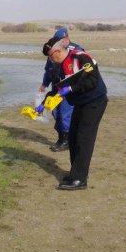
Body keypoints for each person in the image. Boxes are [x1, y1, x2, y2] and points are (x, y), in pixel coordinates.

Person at [36, 36, 108, 190]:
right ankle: (76, 173)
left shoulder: (81, 57)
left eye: (50, 55)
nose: (50, 59)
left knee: (84, 139)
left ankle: (80, 179)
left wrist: (71, 89)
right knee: (73, 137)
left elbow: (92, 80)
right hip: (80, 103)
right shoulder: (58, 67)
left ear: (58, 50)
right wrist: (43, 105)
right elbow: (56, 90)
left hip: (94, 101)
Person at [39, 27, 83, 152]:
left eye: (64, 38)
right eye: (59, 39)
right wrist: (44, 84)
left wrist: (73, 88)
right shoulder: (52, 51)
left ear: (67, 38)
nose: (62, 41)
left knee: (64, 113)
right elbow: (48, 70)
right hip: (56, 86)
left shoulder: (77, 50)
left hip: (68, 89)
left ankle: (67, 141)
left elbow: (80, 73)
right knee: (56, 113)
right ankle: (61, 138)